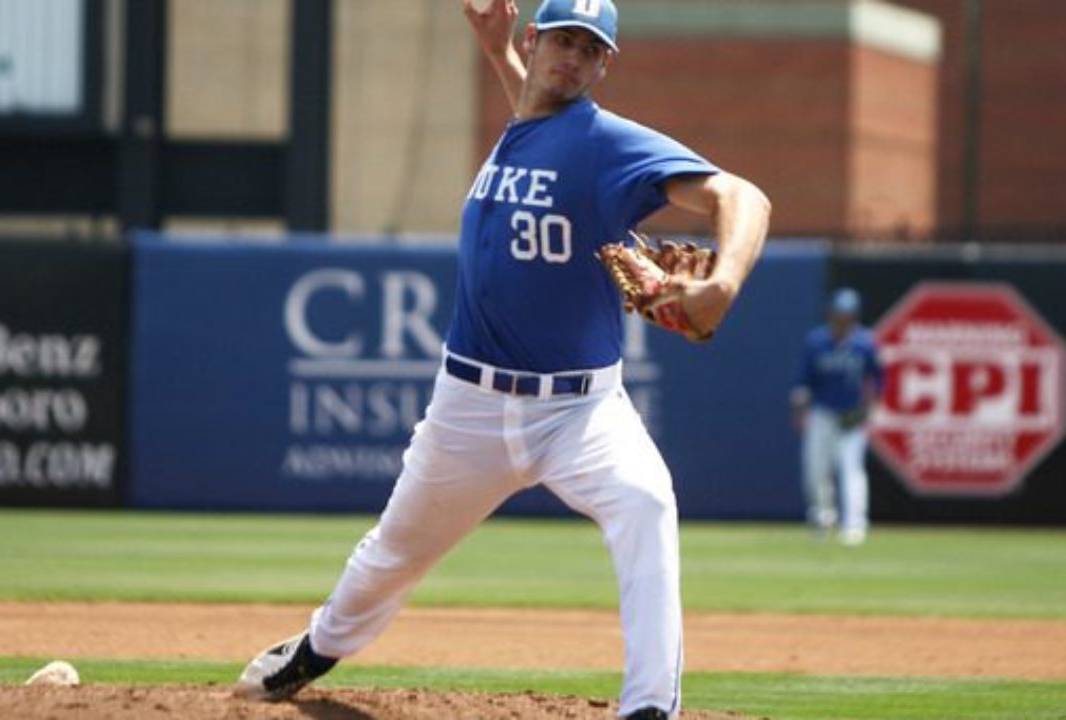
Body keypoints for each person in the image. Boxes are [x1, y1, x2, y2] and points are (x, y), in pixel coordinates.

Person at [235, 1, 771, 717]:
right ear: (533, 40)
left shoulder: (608, 144)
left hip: (581, 410)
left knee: (645, 503)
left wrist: (724, 282)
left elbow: (742, 195)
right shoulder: (526, 127)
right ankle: (315, 649)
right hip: (470, 408)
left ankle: (648, 707)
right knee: (390, 555)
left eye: (589, 48)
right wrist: (496, 51)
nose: (572, 57)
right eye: (561, 41)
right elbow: (535, 109)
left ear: (605, 64)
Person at [790, 288, 883, 546]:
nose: (842, 320)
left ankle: (854, 524)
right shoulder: (816, 342)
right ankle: (821, 517)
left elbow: (877, 378)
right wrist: (799, 410)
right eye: (838, 314)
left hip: (851, 416)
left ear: (854, 317)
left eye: (847, 315)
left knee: (851, 470)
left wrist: (871, 410)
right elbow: (803, 380)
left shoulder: (865, 343)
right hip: (821, 413)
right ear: (831, 314)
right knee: (815, 470)